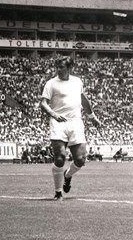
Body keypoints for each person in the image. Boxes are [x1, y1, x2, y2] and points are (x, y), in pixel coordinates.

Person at [40, 57, 101, 201]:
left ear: (69, 68)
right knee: (60, 157)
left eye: (61, 67)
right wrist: (54, 115)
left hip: (75, 122)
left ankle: (67, 176)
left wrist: (92, 117)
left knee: (80, 159)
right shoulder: (51, 83)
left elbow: (83, 100)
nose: (58, 69)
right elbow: (43, 103)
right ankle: (58, 192)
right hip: (58, 123)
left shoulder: (77, 81)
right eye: (57, 67)